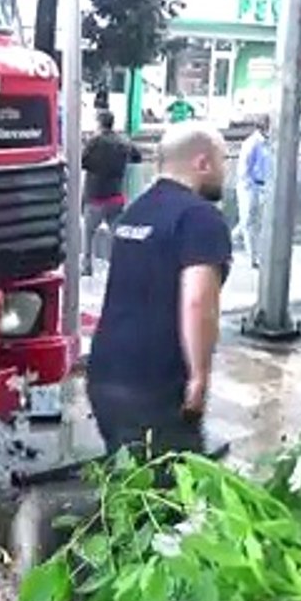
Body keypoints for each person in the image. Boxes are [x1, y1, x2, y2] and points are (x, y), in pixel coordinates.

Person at [86, 123, 233, 458]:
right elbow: (198, 301)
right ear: (202, 163)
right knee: (165, 498)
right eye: (223, 160)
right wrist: (199, 376)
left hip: (106, 378)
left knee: (128, 486)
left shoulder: (136, 211)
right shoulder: (200, 217)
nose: (225, 171)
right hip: (156, 386)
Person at [81, 110, 142, 277]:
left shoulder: (95, 142)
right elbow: (137, 156)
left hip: (95, 197)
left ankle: (87, 267)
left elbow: (82, 161)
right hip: (115, 196)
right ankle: (124, 264)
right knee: (118, 234)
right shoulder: (122, 141)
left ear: (99, 123)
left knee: (88, 235)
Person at [232, 116, 272, 269]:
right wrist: (248, 187)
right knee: (249, 222)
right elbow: (244, 168)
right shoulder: (252, 143)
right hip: (250, 187)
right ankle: (253, 258)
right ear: (262, 127)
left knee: (252, 222)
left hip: (264, 187)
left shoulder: (269, 144)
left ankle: (228, 242)